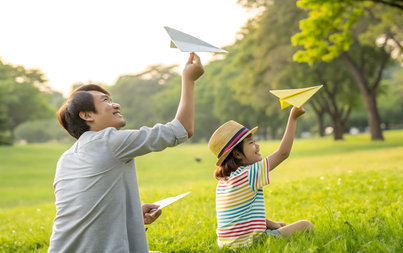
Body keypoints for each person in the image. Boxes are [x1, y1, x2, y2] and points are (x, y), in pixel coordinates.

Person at [48, 53, 204, 253]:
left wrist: (132, 214)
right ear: (87, 115)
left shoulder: (66, 159)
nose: (116, 105)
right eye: (106, 100)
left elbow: (84, 211)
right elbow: (182, 129)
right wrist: (188, 79)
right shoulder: (109, 141)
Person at [208, 106, 314, 248]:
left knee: (280, 227)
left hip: (228, 246)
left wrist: (273, 224)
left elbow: (243, 216)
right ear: (237, 154)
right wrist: (293, 118)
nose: (257, 146)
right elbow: (283, 153)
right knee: (306, 225)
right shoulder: (249, 173)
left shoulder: (224, 182)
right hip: (252, 244)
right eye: (251, 143)